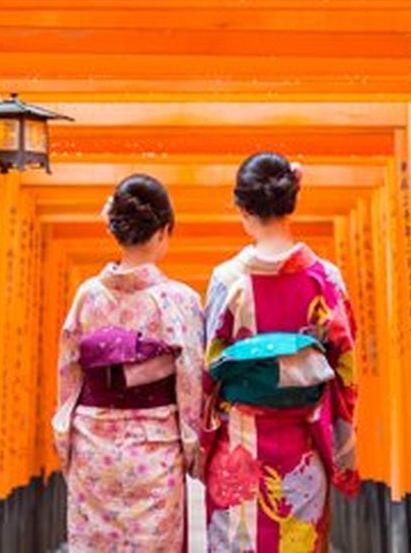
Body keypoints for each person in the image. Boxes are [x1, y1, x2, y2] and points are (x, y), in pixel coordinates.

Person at [201, 152, 359, 552]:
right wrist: (341, 443)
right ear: (293, 200)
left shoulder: (226, 280)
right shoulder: (324, 279)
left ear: (242, 208)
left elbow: (208, 372)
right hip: (302, 452)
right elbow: (345, 371)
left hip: (239, 448)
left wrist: (201, 445)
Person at [52, 174, 204, 552]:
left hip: (92, 444)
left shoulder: (87, 296)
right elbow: (190, 383)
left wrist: (64, 436)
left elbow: (69, 371)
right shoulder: (179, 301)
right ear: (165, 231)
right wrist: (192, 447)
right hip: (154, 449)